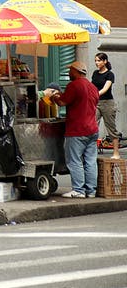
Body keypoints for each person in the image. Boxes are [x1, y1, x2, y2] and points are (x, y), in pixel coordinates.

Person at [45, 61, 101, 198]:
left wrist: (54, 96)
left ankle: (79, 190)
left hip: (77, 130)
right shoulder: (93, 87)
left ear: (76, 71)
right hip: (93, 129)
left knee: (74, 161)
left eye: (71, 71)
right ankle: (91, 191)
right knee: (90, 161)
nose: (69, 73)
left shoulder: (74, 85)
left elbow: (62, 102)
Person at [92, 52, 122, 159]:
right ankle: (92, 152)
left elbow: (105, 88)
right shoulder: (95, 73)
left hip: (107, 103)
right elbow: (92, 86)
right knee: (92, 125)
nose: (97, 62)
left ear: (105, 61)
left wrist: (94, 94)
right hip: (96, 102)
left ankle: (116, 153)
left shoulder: (110, 74)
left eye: (99, 60)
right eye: (95, 60)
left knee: (111, 127)